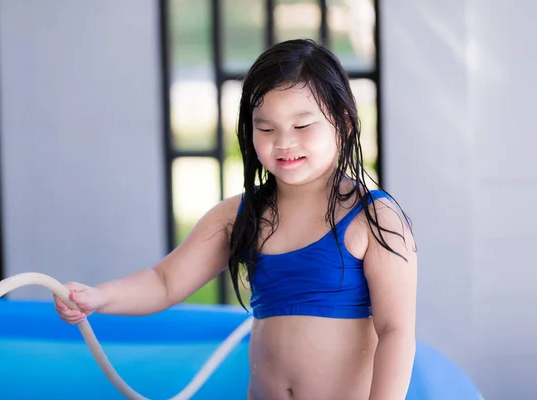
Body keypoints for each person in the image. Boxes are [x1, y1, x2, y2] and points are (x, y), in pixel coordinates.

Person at [54, 39, 417, 400]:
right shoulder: (238, 217)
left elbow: (395, 330)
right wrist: (98, 298)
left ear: (345, 123)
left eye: (302, 126)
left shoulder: (374, 219)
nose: (284, 142)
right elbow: (164, 282)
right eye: (266, 128)